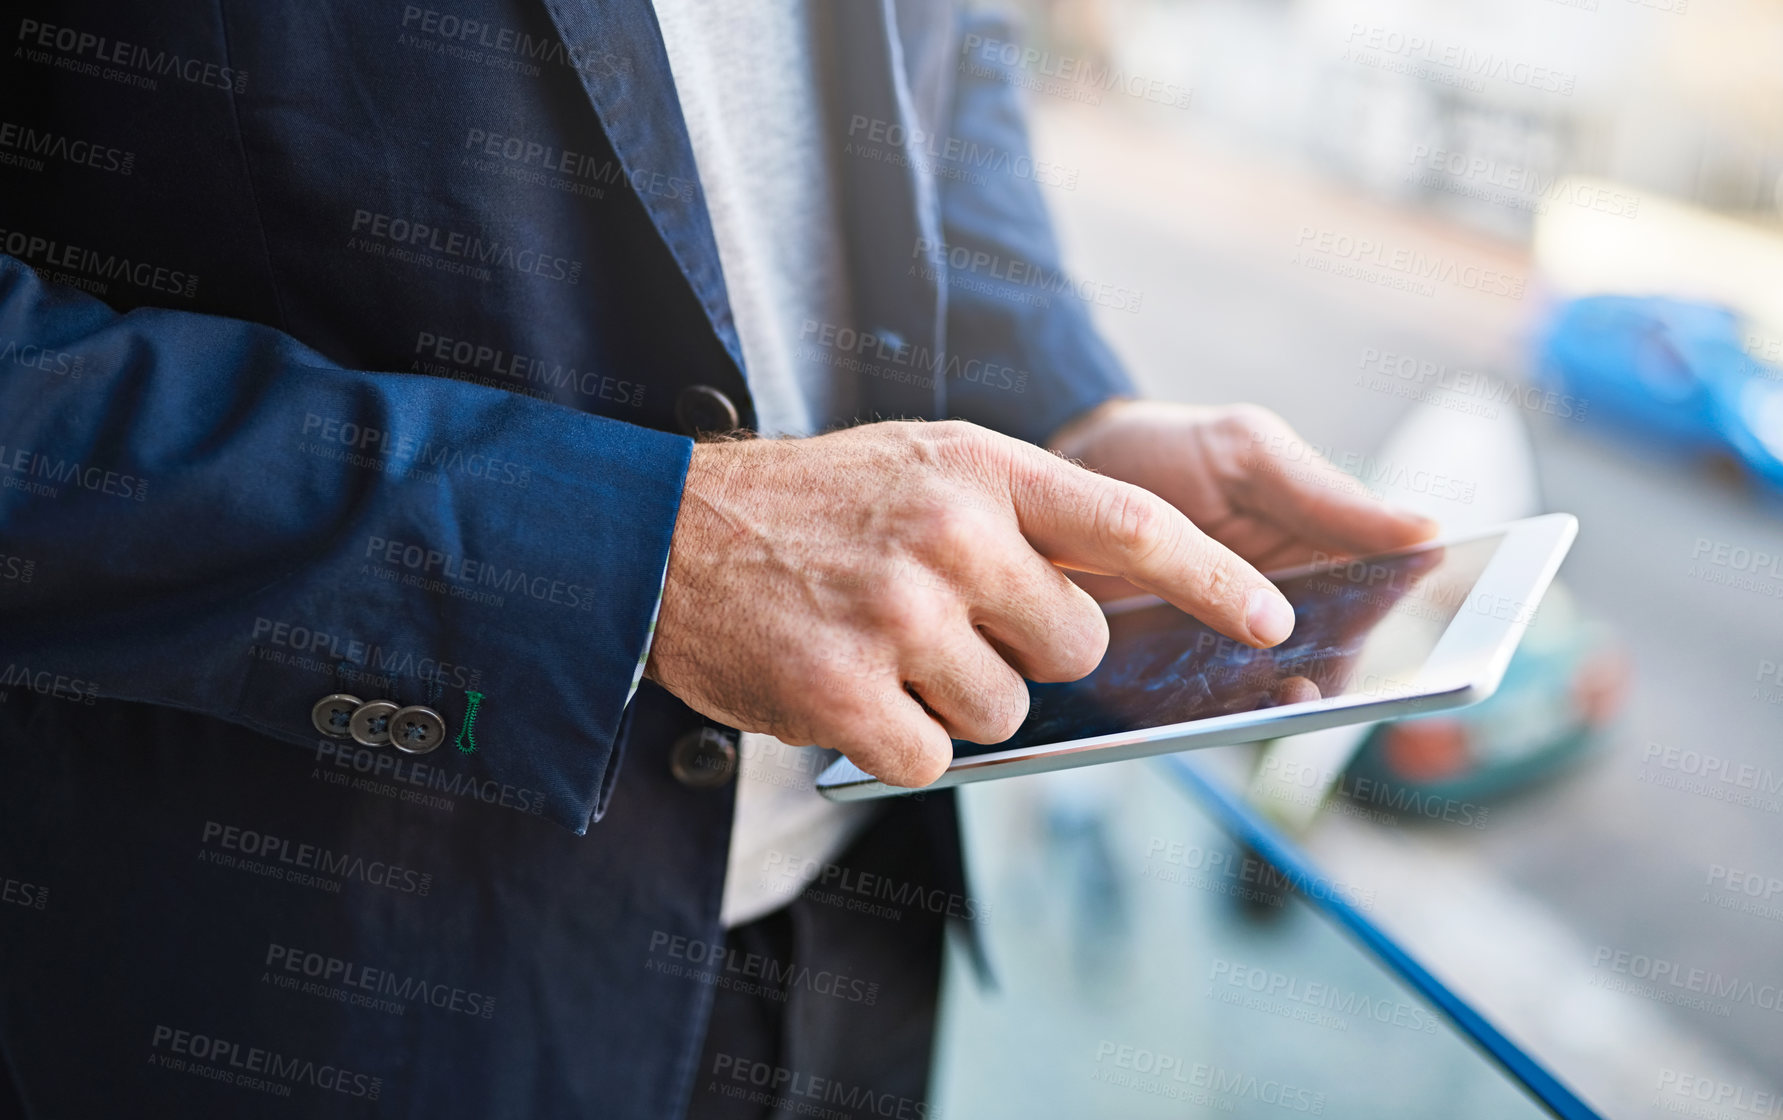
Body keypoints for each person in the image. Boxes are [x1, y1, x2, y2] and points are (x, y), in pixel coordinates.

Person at [0, 2, 1431, 1116]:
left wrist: (1061, 405)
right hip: (326, 994)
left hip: (854, 939)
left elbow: (950, 52)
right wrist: (628, 552)